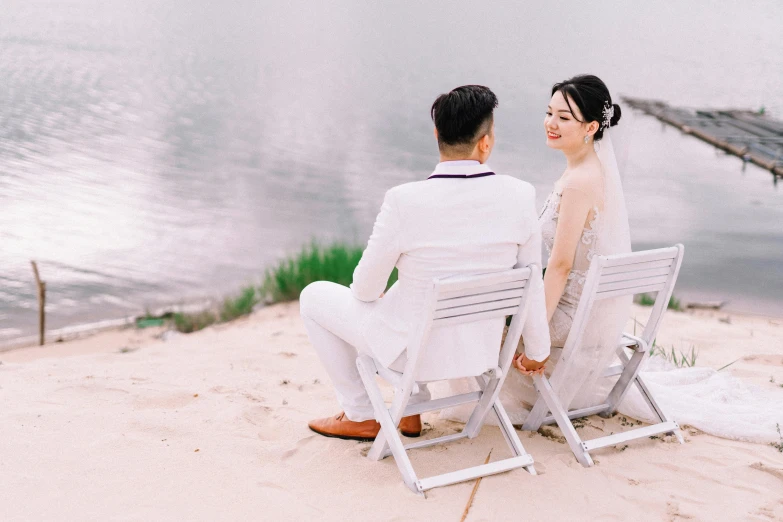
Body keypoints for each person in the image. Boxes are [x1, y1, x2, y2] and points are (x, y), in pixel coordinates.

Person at [300, 85, 551, 441]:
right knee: (405, 299)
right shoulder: (520, 195)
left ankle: (360, 412)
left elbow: (365, 289)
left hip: (413, 357)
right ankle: (410, 412)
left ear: (437, 135)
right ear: (486, 141)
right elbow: (531, 281)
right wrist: (538, 350)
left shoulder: (405, 201)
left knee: (314, 296)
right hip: (481, 353)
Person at [441, 75, 632, 424]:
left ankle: (462, 402)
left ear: (590, 126)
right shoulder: (590, 170)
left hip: (570, 318)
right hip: (589, 311)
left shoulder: (578, 183)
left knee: (473, 314)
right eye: (549, 112)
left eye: (563, 117)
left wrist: (535, 337)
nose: (551, 123)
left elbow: (559, 266)